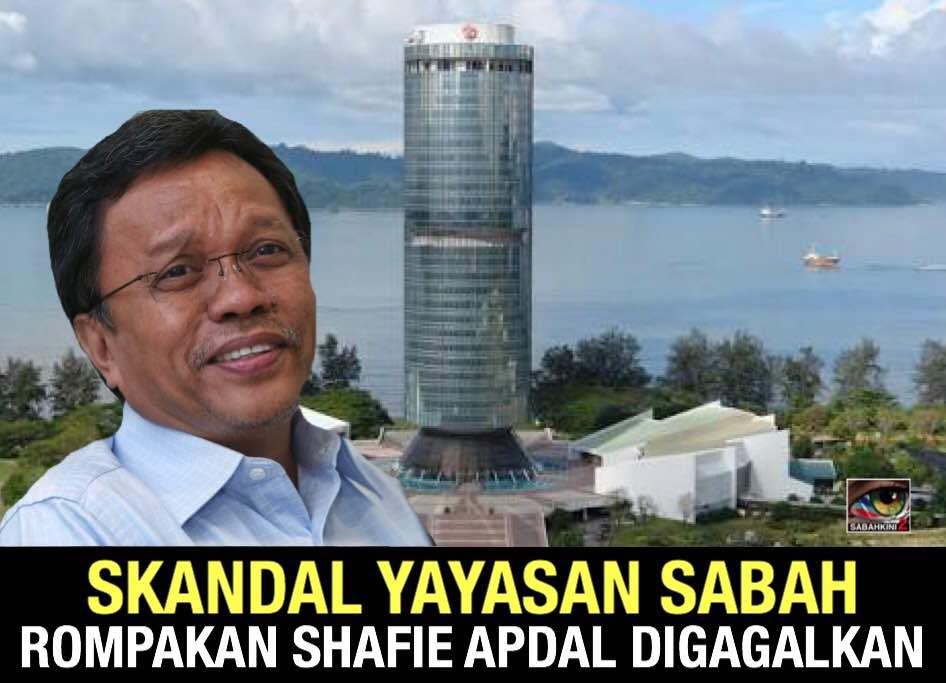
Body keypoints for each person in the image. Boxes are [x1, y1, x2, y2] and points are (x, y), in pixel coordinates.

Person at [0, 110, 431, 546]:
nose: (241, 297)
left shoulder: (376, 497)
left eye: (267, 250)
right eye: (176, 272)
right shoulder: (69, 530)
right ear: (101, 346)